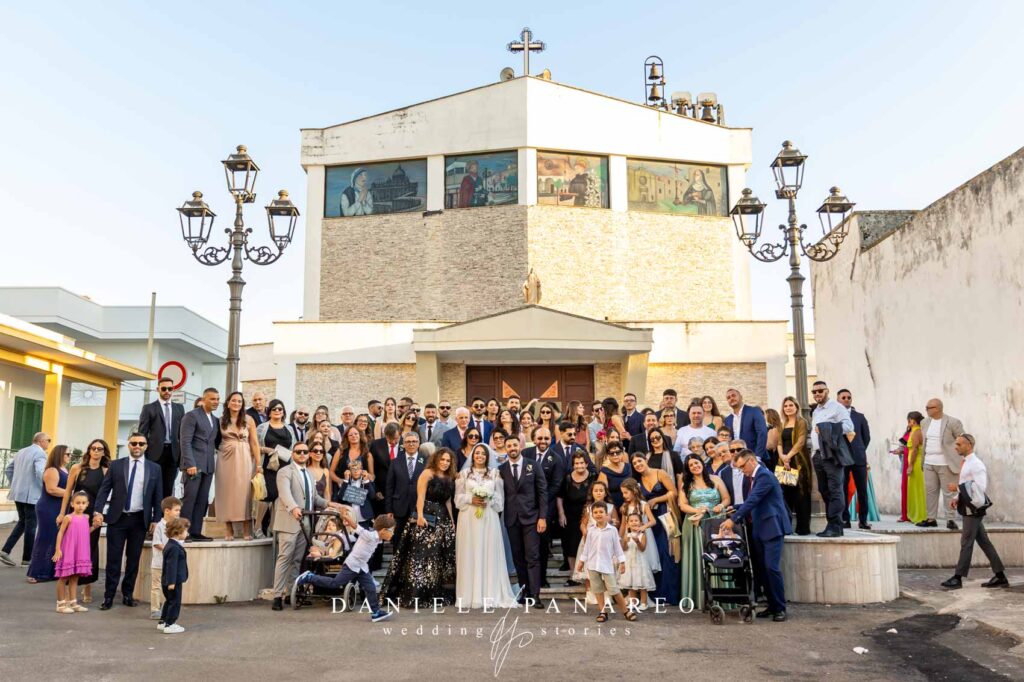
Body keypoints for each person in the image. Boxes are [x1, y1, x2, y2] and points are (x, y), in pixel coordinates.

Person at [719, 449, 792, 622]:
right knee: (762, 569)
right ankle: (772, 606)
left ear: (752, 461)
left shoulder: (764, 476)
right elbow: (752, 500)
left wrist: (734, 519)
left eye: (742, 466)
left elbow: (754, 499)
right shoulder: (753, 477)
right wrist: (735, 507)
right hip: (760, 528)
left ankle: (780, 608)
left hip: (772, 528)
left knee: (771, 568)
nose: (741, 470)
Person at [381, 447, 457, 607]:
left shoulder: (449, 477)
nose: (445, 463)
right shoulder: (427, 473)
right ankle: (416, 594)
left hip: (442, 519)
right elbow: (420, 497)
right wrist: (420, 516)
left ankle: (431, 593)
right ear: (436, 459)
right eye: (442, 459)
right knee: (420, 556)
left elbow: (448, 502)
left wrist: (452, 521)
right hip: (426, 516)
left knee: (435, 557)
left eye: (448, 460)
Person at [93, 433, 162, 610]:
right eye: (134, 443)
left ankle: (127, 594)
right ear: (129, 445)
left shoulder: (154, 468)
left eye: (141, 443)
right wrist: (98, 511)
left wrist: (156, 519)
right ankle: (108, 596)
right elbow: (104, 490)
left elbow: (158, 496)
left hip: (139, 520)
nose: (137, 446)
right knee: (113, 560)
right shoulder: (116, 465)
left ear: (146, 446)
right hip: (117, 519)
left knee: (133, 560)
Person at [271, 441, 340, 611]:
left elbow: (315, 498)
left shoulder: (308, 473)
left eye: (304, 452)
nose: (302, 454)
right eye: (298, 452)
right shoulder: (285, 472)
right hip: (289, 521)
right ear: (293, 453)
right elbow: (285, 494)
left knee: (297, 560)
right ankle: (277, 596)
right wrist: (294, 508)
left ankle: (291, 594)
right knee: (284, 558)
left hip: (306, 523)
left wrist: (331, 504)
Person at [295, 511, 395, 622]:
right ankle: (309, 577)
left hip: (361, 567)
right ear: (383, 530)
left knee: (370, 588)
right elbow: (357, 527)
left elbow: (380, 523)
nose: (393, 533)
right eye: (391, 531)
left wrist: (387, 519)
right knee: (335, 584)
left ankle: (375, 612)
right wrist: (347, 517)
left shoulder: (378, 539)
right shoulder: (369, 535)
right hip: (352, 565)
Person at [940, 435, 1009, 590]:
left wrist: (957, 488)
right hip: (968, 507)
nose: (956, 447)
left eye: (959, 444)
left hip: (973, 510)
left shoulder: (976, 465)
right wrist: (957, 497)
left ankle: (957, 578)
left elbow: (980, 487)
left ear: (969, 445)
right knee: (984, 542)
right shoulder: (967, 462)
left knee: (966, 543)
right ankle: (1000, 576)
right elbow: (967, 485)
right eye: (956, 444)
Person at [455, 444, 518, 608]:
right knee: (470, 552)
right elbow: (457, 499)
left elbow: (500, 501)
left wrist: (488, 498)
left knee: (488, 551)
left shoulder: (495, 474)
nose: (480, 456)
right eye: (477, 453)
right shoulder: (463, 474)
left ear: (488, 457)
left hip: (488, 517)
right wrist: (471, 499)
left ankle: (489, 593)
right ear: (472, 455)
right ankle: (470, 595)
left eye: (483, 453)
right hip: (468, 518)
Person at [58, 439, 110, 602]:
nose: (96, 451)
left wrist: (100, 514)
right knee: (71, 549)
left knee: (89, 549)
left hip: (94, 513)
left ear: (104, 452)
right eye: (93, 448)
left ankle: (87, 586)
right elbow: (68, 492)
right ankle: (69, 590)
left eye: (99, 448)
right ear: (89, 450)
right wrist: (62, 513)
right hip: (75, 513)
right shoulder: (77, 468)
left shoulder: (106, 470)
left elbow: (107, 493)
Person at [500, 435, 548, 603]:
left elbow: (542, 492)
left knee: (532, 557)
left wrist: (542, 517)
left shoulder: (533, 465)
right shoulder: (501, 469)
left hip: (532, 518)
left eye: (514, 445)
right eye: (509, 446)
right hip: (512, 519)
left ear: (520, 446)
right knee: (518, 558)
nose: (512, 448)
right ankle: (524, 592)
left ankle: (535, 594)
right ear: (505, 448)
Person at [679, 454, 730, 610]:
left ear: (702, 462)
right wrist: (697, 510)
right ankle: (698, 595)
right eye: (691, 465)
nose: (695, 466)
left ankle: (721, 596)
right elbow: (682, 505)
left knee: (717, 556)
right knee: (698, 557)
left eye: (696, 463)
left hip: (716, 522)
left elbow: (726, 498)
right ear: (688, 469)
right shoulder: (686, 484)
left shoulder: (716, 479)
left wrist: (721, 506)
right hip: (695, 524)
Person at [632, 452, 680, 606]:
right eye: (635, 463)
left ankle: (670, 595)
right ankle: (655, 594)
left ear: (646, 460)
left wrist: (656, 499)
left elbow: (674, 492)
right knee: (654, 554)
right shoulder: (638, 481)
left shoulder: (660, 473)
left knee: (668, 552)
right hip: (650, 520)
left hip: (665, 516)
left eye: (640, 461)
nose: (638, 464)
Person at [576, 502, 636, 623]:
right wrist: (582, 561)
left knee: (614, 590)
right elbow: (587, 548)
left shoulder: (612, 530)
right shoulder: (591, 530)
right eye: (595, 512)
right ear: (592, 515)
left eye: (601, 512)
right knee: (598, 590)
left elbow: (617, 548)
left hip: (606, 565)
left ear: (606, 513)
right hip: (592, 565)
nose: (598, 514)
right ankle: (603, 611)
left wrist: (622, 562)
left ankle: (626, 611)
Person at [809, 381, 855, 538]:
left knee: (835, 489)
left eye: (820, 391)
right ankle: (834, 524)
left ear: (827, 391)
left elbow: (849, 426)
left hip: (832, 455)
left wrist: (825, 427)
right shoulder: (816, 411)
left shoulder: (837, 407)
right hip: (818, 455)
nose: (817, 394)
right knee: (824, 490)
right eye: (814, 392)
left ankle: (835, 525)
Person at [0, 432, 50, 568]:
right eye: (48, 440)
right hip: (31, 495)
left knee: (23, 522)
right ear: (41, 441)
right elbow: (40, 472)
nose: (48, 443)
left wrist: (16, 484)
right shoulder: (40, 454)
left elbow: (8, 470)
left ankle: (5, 551)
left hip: (18, 493)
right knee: (31, 526)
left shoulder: (21, 451)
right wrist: (46, 488)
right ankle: (27, 559)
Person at [216, 391, 261, 541]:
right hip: (225, 457)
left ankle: (246, 529)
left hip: (244, 457)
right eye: (234, 401)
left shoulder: (249, 419)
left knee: (244, 491)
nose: (236, 403)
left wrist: (259, 464)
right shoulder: (220, 420)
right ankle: (228, 529)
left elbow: (254, 443)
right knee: (226, 491)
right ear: (228, 403)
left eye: (239, 401)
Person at [179, 387, 220, 541]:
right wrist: (190, 463)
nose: (216, 402)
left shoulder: (215, 420)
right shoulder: (191, 416)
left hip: (208, 466)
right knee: (190, 499)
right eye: (212, 399)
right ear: (203, 399)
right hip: (194, 465)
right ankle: (183, 532)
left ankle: (196, 532)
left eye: (218, 399)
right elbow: (185, 441)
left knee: (202, 500)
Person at [26, 444, 70, 583]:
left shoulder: (64, 469)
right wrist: (71, 493)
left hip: (59, 507)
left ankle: (51, 572)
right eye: (67, 454)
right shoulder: (52, 470)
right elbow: (51, 489)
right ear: (59, 454)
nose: (70, 457)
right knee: (45, 538)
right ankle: (36, 573)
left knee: (57, 538)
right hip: (48, 508)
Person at [919, 398, 965, 529]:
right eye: (926, 407)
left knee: (948, 492)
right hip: (928, 462)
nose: (926, 410)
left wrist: (960, 458)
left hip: (946, 463)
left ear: (938, 408)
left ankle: (950, 519)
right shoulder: (924, 422)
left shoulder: (953, 422)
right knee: (930, 491)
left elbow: (962, 439)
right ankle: (931, 519)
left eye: (929, 408)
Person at [139, 377, 185, 499]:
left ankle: (164, 511)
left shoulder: (179, 408)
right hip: (154, 454)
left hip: (173, 453)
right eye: (164, 389)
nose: (167, 391)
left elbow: (182, 433)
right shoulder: (149, 408)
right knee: (151, 487)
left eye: (170, 389)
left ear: (173, 389)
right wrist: (143, 454)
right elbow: (142, 433)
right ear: (158, 389)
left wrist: (182, 455)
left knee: (168, 488)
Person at [256, 399, 294, 535]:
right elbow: (254, 446)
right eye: (274, 409)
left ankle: (272, 529)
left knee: (279, 497)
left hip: (284, 466)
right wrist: (266, 450)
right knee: (265, 496)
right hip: (267, 465)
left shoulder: (289, 429)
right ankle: (257, 527)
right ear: (269, 412)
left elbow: (293, 448)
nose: (277, 411)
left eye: (280, 409)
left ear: (283, 412)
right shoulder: (262, 427)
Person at [52, 491, 93, 614]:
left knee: (75, 577)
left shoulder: (86, 517)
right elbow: (60, 533)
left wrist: (95, 527)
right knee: (64, 577)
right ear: (72, 504)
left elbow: (85, 532)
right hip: (68, 549)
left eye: (83, 503)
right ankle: (60, 604)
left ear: (87, 504)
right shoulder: (68, 518)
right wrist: (58, 549)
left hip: (80, 550)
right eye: (78, 503)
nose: (80, 505)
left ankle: (73, 603)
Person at [384, 431, 427, 547]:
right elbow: (389, 487)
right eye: (408, 442)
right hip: (399, 508)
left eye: (414, 441)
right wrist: (389, 510)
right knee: (398, 541)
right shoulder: (395, 462)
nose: (411, 444)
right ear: (403, 444)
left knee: (417, 542)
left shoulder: (426, 461)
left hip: (418, 508)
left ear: (419, 443)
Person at [837, 389, 872, 529]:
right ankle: (845, 520)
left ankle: (863, 520)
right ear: (838, 399)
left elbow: (866, 437)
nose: (846, 399)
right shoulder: (835, 416)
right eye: (843, 397)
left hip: (858, 458)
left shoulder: (860, 417)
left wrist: (859, 449)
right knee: (842, 490)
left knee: (862, 490)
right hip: (842, 458)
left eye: (849, 397)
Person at [778, 397, 812, 535]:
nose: (788, 408)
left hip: (798, 462)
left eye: (791, 405)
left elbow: (800, 441)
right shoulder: (783, 423)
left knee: (800, 494)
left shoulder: (801, 422)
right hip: (783, 463)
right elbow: (779, 443)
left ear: (796, 407)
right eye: (785, 406)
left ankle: (803, 528)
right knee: (785, 494)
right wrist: (782, 457)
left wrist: (789, 456)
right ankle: (787, 528)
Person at [561, 452, 594, 587]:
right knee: (571, 546)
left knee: (588, 545)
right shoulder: (567, 478)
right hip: (570, 516)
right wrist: (561, 514)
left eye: (582, 463)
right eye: (576, 463)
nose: (579, 465)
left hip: (588, 516)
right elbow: (559, 497)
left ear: (586, 464)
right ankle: (573, 576)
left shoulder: (594, 476)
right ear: (573, 465)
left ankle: (590, 575)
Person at [150, 496, 181, 621]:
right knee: (156, 586)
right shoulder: (159, 526)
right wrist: (170, 550)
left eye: (179, 510)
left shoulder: (177, 526)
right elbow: (157, 543)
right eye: (176, 510)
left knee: (168, 587)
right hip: (158, 563)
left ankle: (165, 608)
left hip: (170, 564)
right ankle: (154, 609)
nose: (178, 513)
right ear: (167, 511)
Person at [159, 517, 190, 634]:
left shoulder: (170, 545)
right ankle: (170, 624)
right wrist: (171, 582)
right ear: (178, 532)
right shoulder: (174, 548)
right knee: (175, 602)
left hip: (168, 580)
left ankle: (163, 621)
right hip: (173, 581)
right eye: (186, 531)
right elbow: (171, 566)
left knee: (169, 601)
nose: (187, 533)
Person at [621, 512, 656, 610]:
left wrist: (637, 541)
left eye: (636, 520)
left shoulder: (642, 535)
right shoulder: (627, 535)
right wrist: (625, 541)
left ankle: (644, 603)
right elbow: (624, 548)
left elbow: (642, 549)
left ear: (641, 523)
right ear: (628, 524)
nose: (634, 522)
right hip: (630, 562)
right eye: (631, 521)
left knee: (642, 584)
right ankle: (633, 602)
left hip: (640, 562)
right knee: (631, 584)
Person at [723, 388, 768, 462]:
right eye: (728, 398)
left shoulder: (754, 411)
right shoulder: (728, 419)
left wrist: (758, 456)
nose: (731, 398)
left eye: (733, 395)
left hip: (755, 457)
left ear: (741, 397)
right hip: (737, 459)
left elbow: (762, 433)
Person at [905, 411, 927, 524]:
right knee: (915, 489)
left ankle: (919, 515)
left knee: (917, 489)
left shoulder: (916, 432)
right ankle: (916, 514)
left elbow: (914, 450)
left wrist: (910, 466)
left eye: (908, 420)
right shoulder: (918, 430)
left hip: (916, 464)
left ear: (912, 421)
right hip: (916, 462)